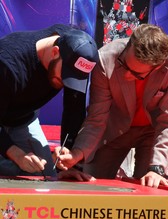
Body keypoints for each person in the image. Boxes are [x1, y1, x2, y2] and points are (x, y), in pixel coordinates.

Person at [54, 24, 168, 187]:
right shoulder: (105, 59)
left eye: (136, 74)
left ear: (158, 67)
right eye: (124, 64)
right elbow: (96, 118)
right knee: (90, 183)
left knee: (152, 187)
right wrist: (77, 153)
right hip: (114, 130)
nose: (126, 74)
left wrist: (157, 168)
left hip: (154, 131)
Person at [0, 23, 98, 181]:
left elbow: (74, 110)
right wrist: (16, 154)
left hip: (21, 120)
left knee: (45, 175)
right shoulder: (7, 61)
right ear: (54, 52)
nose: (66, 83)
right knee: (15, 169)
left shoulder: (73, 50)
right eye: (64, 77)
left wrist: (68, 161)